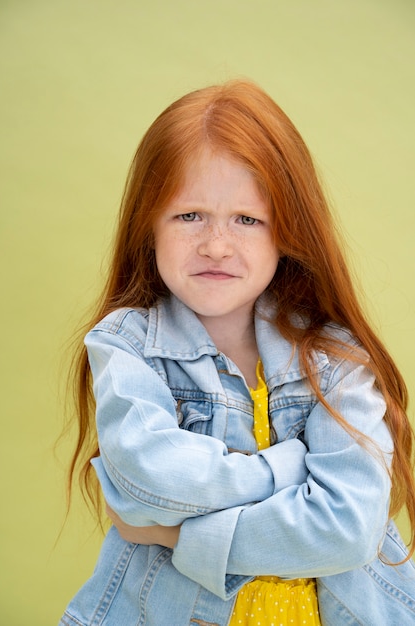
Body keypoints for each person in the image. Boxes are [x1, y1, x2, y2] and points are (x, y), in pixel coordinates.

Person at [59, 80, 415, 626]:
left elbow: (349, 529)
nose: (217, 245)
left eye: (247, 220)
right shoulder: (126, 344)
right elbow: (150, 481)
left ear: (287, 231)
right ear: (147, 226)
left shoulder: (334, 355)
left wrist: (173, 532)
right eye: (189, 215)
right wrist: (288, 470)